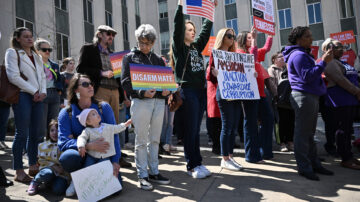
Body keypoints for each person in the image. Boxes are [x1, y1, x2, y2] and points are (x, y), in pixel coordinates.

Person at [169, 0, 217, 179]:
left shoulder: (197, 46)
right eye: (189, 30)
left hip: (200, 91)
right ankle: (192, 165)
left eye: (193, 31)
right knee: (190, 129)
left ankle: (198, 162)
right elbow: (177, 25)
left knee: (195, 128)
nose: (193, 32)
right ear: (183, 33)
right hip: (187, 91)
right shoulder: (179, 47)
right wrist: (181, 6)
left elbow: (206, 29)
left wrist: (211, 9)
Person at [121, 24, 171, 190]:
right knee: (141, 140)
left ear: (153, 42)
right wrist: (142, 92)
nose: (144, 46)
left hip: (158, 102)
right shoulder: (129, 57)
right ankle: (142, 174)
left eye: (147, 43)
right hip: (141, 102)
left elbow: (166, 82)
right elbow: (125, 82)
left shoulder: (158, 59)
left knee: (155, 139)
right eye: (141, 42)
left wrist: (167, 91)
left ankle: (154, 171)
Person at [283, 26, 334, 181]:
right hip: (304, 97)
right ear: (299, 39)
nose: (311, 39)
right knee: (302, 134)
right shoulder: (298, 55)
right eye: (308, 36)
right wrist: (323, 62)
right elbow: (307, 77)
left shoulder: (303, 54)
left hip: (310, 96)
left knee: (309, 134)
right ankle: (304, 167)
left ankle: (314, 164)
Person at [57, 73, 122, 196]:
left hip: (103, 155)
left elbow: (114, 136)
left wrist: (115, 162)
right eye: (85, 84)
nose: (90, 86)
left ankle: (90, 181)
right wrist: (88, 145)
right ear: (76, 89)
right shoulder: (66, 112)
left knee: (116, 190)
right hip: (80, 155)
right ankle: (77, 180)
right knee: (68, 157)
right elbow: (63, 142)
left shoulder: (104, 107)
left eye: (91, 83)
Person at [77, 25, 130, 167]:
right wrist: (101, 73)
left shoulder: (114, 54)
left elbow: (119, 77)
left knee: (114, 125)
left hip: (114, 91)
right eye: (108, 34)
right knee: (99, 124)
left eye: (113, 35)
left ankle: (117, 157)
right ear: (100, 34)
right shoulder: (88, 49)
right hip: (99, 89)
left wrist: (123, 96)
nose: (111, 37)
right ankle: (99, 157)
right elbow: (80, 68)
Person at [5, 27, 46, 182]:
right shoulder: (12, 52)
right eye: (26, 37)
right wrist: (34, 90)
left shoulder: (36, 56)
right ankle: (18, 170)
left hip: (38, 97)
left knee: (36, 133)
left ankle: (33, 164)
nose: (30, 39)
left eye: (31, 36)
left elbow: (42, 76)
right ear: (18, 39)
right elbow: (13, 76)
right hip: (22, 95)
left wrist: (42, 92)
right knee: (21, 133)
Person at [207, 28, 243, 171]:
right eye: (229, 36)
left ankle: (230, 156)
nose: (232, 38)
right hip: (223, 92)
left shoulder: (234, 55)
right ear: (222, 37)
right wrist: (214, 72)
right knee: (227, 126)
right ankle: (224, 158)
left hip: (235, 93)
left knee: (233, 126)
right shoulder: (215, 54)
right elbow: (209, 76)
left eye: (233, 36)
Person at [236, 27, 274, 163]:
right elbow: (250, 60)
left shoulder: (254, 50)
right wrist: (254, 41)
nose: (252, 39)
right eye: (249, 37)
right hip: (249, 93)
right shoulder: (239, 52)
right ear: (242, 40)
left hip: (261, 92)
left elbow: (266, 49)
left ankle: (266, 151)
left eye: (252, 37)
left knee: (268, 119)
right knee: (251, 123)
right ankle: (252, 155)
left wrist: (269, 35)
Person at [322, 38, 360, 170]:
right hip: (340, 99)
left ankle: (349, 155)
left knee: (348, 128)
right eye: (338, 46)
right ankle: (345, 158)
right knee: (342, 129)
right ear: (329, 48)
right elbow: (340, 79)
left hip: (350, 99)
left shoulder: (341, 62)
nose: (342, 48)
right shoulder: (330, 62)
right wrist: (356, 91)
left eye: (342, 46)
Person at [27, 120, 69, 195]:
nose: (55, 133)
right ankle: (35, 181)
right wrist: (53, 166)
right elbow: (41, 160)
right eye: (52, 130)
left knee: (58, 190)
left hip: (61, 174)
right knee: (47, 173)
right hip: (48, 169)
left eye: (58, 130)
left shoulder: (65, 145)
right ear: (48, 132)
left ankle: (49, 183)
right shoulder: (42, 146)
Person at [35, 38, 63, 141]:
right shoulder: (35, 64)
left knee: (53, 124)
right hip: (42, 93)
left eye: (49, 49)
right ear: (37, 50)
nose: (47, 52)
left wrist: (59, 90)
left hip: (54, 94)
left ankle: (51, 150)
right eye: (44, 49)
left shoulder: (54, 65)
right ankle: (39, 150)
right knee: (41, 126)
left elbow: (59, 79)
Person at [268, 52, 294, 152]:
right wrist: (276, 96)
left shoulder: (287, 69)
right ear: (274, 60)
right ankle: (281, 143)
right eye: (280, 57)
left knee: (290, 121)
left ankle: (290, 141)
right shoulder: (272, 69)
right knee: (280, 122)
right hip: (278, 101)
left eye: (284, 57)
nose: (283, 58)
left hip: (289, 100)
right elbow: (271, 84)